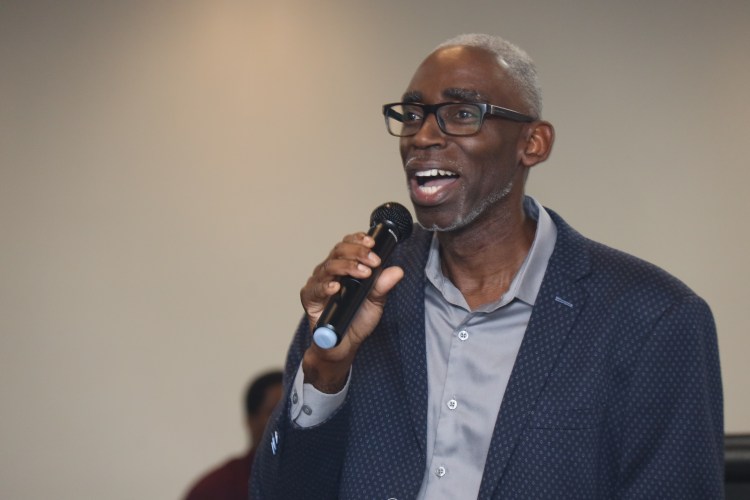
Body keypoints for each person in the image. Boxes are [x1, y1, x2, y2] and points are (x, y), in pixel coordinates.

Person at [250, 34, 723, 499]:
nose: (423, 136)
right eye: (412, 115)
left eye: (461, 114)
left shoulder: (653, 318)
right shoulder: (362, 293)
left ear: (532, 143)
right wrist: (324, 373)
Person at [184, 370, 282, 500]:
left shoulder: (308, 481)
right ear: (252, 421)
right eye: (275, 412)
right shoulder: (214, 490)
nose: (288, 422)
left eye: (299, 412)